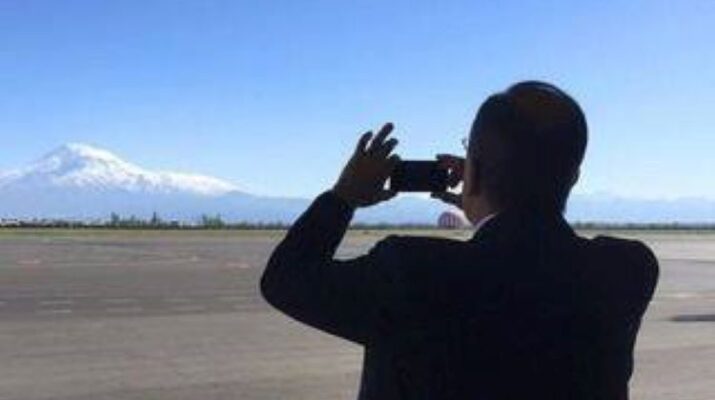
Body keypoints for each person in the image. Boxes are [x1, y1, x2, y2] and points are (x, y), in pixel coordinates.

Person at [260, 81, 659, 400]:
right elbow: (527, 259)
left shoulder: (411, 271)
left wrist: (344, 195)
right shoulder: (627, 270)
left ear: (475, 172)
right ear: (573, 176)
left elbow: (285, 279)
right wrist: (483, 191)